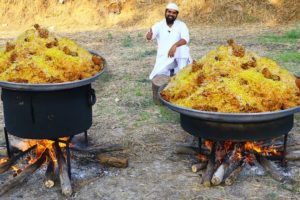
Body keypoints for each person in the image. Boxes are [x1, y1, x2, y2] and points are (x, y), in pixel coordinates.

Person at [147, 2, 192, 80]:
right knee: (160, 75)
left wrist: (175, 46)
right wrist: (149, 35)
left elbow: (185, 39)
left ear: (176, 15)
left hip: (178, 57)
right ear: (165, 12)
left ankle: (181, 73)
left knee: (182, 48)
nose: (171, 14)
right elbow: (150, 36)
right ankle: (173, 71)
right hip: (164, 58)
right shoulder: (159, 25)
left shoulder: (181, 25)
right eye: (169, 12)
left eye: (174, 13)